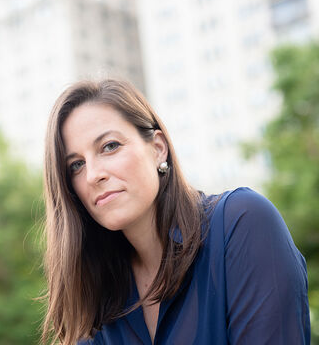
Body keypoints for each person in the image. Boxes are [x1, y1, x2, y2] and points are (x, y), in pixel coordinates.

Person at [41, 79, 310, 345]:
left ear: (158, 148)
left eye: (110, 146)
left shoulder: (242, 225)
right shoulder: (95, 299)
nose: (93, 175)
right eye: (76, 165)